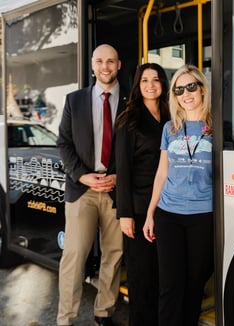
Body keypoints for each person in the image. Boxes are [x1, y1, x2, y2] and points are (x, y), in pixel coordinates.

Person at [56, 44, 126, 326]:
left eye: (110, 61)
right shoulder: (74, 101)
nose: (105, 67)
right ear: (93, 65)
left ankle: (104, 312)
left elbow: (139, 149)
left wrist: (120, 176)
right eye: (100, 61)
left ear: (119, 64)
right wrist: (82, 175)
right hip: (82, 189)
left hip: (117, 191)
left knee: (114, 254)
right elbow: (63, 143)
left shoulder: (132, 102)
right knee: (73, 257)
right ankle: (66, 318)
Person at [143, 64, 213, 326]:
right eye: (179, 89)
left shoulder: (217, 127)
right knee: (170, 286)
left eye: (191, 86)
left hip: (203, 216)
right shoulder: (170, 129)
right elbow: (161, 173)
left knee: (194, 286)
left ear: (202, 89)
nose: (186, 93)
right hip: (168, 214)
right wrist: (151, 213)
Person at [115, 63, 170, 326]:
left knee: (163, 275)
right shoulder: (129, 119)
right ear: (137, 85)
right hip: (138, 208)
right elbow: (122, 170)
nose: (151, 85)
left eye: (156, 79)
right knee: (141, 278)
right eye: (145, 80)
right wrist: (125, 214)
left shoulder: (172, 115)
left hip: (169, 206)